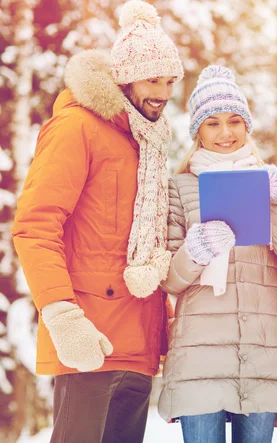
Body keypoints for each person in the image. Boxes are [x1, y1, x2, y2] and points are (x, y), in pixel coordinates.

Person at [11, 1, 183, 442]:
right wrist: (63, 317)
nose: (162, 91)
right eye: (152, 79)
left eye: (170, 80)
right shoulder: (76, 128)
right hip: (90, 338)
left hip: (139, 343)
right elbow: (35, 226)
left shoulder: (148, 143)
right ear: (124, 79)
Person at [157, 65, 277, 443]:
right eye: (212, 123)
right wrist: (196, 250)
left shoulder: (268, 180)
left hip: (264, 346)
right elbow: (169, 279)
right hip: (200, 352)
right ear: (197, 132)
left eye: (235, 121)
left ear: (247, 127)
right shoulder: (178, 187)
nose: (226, 133)